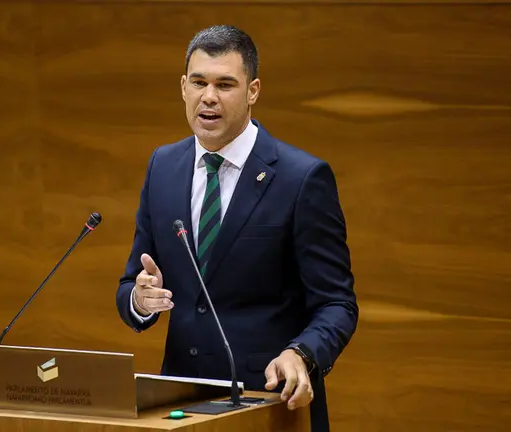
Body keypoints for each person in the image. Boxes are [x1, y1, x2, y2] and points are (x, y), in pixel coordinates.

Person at [116, 24, 358, 431]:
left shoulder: (301, 178)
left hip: (267, 405)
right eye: (199, 82)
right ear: (183, 87)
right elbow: (130, 287)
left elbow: (337, 304)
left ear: (253, 91)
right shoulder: (163, 166)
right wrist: (141, 300)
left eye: (225, 84)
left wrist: (301, 353)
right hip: (179, 408)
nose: (209, 96)